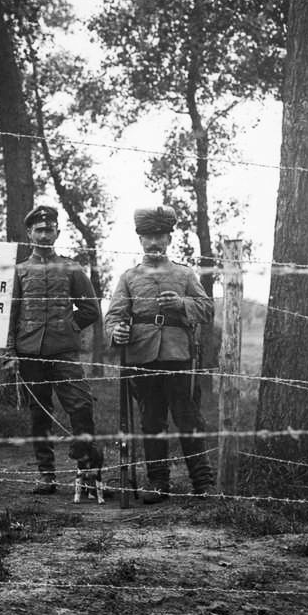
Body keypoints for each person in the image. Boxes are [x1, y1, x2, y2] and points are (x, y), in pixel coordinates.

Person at [104, 205, 215, 503]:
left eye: (160, 236)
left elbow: (207, 309)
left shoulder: (184, 274)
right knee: (152, 421)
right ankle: (158, 483)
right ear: (140, 240)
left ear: (168, 239)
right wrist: (117, 333)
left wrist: (182, 304)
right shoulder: (129, 278)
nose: (154, 242)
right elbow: (113, 317)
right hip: (142, 357)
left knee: (188, 418)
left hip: (179, 356)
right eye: (148, 237)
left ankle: (203, 482)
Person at [3, 205, 102, 495]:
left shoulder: (71, 268)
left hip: (64, 352)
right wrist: (11, 352)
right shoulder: (20, 271)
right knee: (39, 413)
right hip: (30, 351)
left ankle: (86, 471)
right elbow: (11, 314)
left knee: (81, 406)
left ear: (57, 232)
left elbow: (90, 309)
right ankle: (46, 475)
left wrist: (69, 328)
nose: (45, 234)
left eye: (50, 229)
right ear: (30, 233)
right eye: (39, 230)